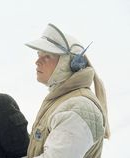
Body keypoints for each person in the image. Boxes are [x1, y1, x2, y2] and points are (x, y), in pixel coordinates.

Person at [24, 23, 110, 158]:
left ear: (68, 63)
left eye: (47, 56)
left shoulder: (78, 107)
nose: (37, 61)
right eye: (39, 54)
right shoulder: (63, 101)